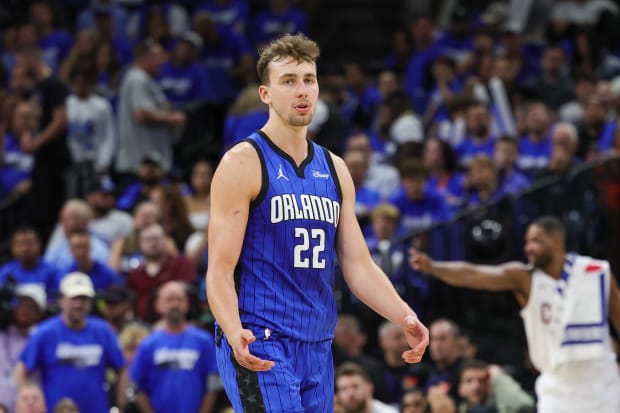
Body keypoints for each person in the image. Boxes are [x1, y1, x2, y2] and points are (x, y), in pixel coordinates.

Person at [206, 34, 428, 413]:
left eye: (309, 79)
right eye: (289, 81)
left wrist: (403, 314)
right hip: (261, 336)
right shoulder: (243, 162)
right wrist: (232, 328)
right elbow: (219, 271)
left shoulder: (335, 168)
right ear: (265, 94)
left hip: (317, 343)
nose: (302, 90)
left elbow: (357, 264)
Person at [410, 215, 620, 413]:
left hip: (601, 382)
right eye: (527, 241)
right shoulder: (525, 279)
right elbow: (473, 275)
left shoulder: (595, 272)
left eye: (535, 241)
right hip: (558, 388)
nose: (528, 248)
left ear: (556, 242)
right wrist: (434, 267)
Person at [15, 272, 126, 413]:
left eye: (84, 299)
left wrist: (121, 405)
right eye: (74, 298)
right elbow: (21, 371)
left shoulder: (103, 331)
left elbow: (122, 368)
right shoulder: (45, 332)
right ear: (61, 300)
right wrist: (30, 404)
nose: (79, 304)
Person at [130, 281, 219, 413]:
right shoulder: (148, 345)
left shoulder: (204, 341)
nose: (175, 304)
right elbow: (138, 388)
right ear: (158, 304)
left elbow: (212, 386)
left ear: (187, 304)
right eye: (169, 299)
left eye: (179, 299)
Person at [0, 284, 47, 412]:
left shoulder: (42, 337)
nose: (25, 310)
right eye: (22, 304)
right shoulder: (3, 332)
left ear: (40, 314)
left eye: (32, 307)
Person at [457, 359, 535, 413]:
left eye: (482, 380)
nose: (476, 386)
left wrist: (499, 378)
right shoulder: (454, 409)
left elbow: (524, 405)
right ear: (460, 388)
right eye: (469, 381)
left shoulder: (501, 407)